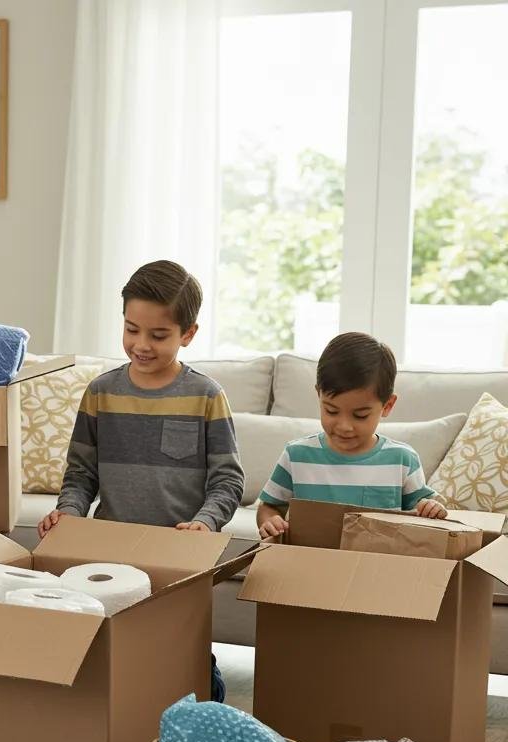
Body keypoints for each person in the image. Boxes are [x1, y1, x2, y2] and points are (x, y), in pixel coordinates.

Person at [37, 260, 244, 701]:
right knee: (113, 663)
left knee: (184, 666)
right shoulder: (100, 392)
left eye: (159, 335)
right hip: (109, 552)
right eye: (132, 330)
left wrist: (205, 522)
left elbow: (227, 481)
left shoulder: (206, 396)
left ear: (188, 334)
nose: (141, 345)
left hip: (178, 554)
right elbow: (81, 473)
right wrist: (68, 513)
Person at [257, 331, 447, 539]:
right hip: (310, 556)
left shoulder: (402, 459)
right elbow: (269, 507)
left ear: (387, 406)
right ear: (318, 395)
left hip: (376, 558)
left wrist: (431, 508)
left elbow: (423, 510)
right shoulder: (296, 455)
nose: (345, 426)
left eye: (360, 415)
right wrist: (270, 521)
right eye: (331, 411)